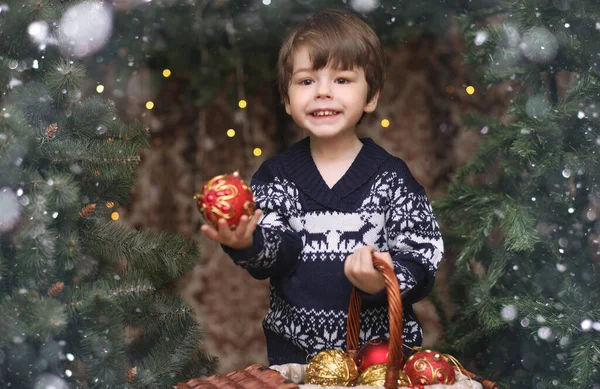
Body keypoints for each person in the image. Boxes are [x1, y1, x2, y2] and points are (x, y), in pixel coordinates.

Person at [200, 8, 444, 366]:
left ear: (371, 96)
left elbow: (422, 258)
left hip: (376, 361)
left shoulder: (392, 178)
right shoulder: (276, 177)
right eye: (306, 81)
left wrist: (383, 281)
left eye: (342, 80)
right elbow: (275, 250)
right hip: (295, 361)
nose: (323, 92)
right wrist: (245, 242)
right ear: (286, 99)